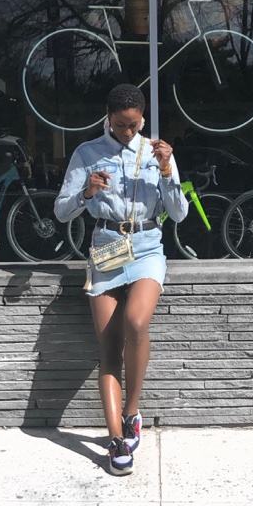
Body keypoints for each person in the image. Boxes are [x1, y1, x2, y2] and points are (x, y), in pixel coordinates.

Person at [54, 84, 188, 476]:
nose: (128, 132)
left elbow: (179, 214)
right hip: (107, 250)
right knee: (109, 346)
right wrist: (86, 192)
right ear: (108, 118)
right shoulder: (87, 153)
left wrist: (167, 170)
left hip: (146, 249)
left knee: (136, 321)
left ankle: (132, 412)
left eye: (134, 125)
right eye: (120, 125)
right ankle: (116, 440)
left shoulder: (157, 152)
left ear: (143, 118)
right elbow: (61, 211)